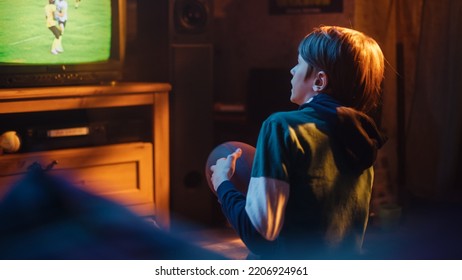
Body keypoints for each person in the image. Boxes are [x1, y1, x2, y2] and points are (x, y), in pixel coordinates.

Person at [209, 26, 387, 259]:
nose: (292, 71)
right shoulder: (363, 139)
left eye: (299, 63)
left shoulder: (281, 126)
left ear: (320, 81)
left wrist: (222, 183)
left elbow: (259, 236)